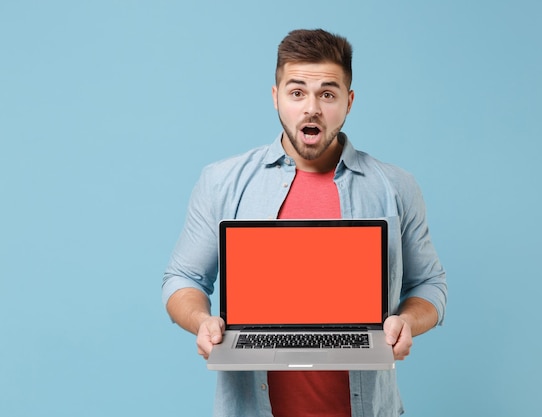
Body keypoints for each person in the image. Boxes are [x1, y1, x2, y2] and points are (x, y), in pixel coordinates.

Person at [162, 28, 447, 417]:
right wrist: (202, 321)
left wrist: (407, 322)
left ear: (348, 102)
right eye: (297, 92)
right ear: (276, 96)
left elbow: (429, 284)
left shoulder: (396, 187)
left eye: (327, 94)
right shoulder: (222, 182)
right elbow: (183, 278)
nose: (311, 108)